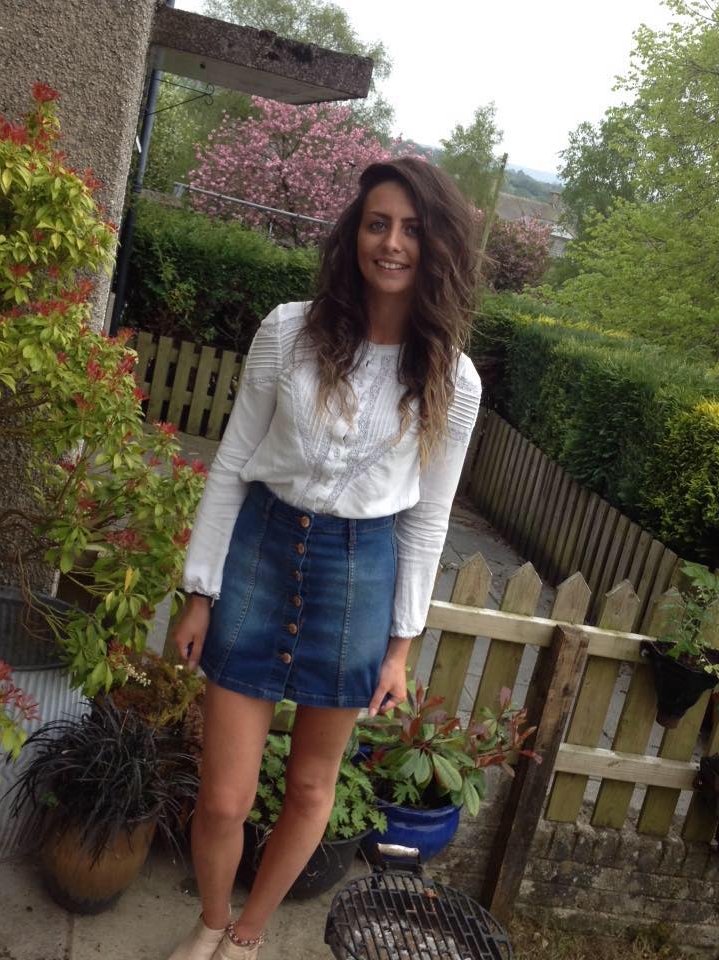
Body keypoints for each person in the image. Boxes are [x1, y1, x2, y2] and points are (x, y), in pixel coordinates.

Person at [166, 157, 482, 960]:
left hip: (358, 576)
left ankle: (248, 934)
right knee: (223, 801)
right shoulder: (288, 331)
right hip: (261, 557)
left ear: (437, 246)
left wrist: (403, 646)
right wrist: (200, 591)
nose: (393, 242)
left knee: (311, 788)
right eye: (379, 222)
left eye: (413, 228)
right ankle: (209, 918)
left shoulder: (453, 378)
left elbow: (428, 520)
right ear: (355, 232)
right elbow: (235, 460)